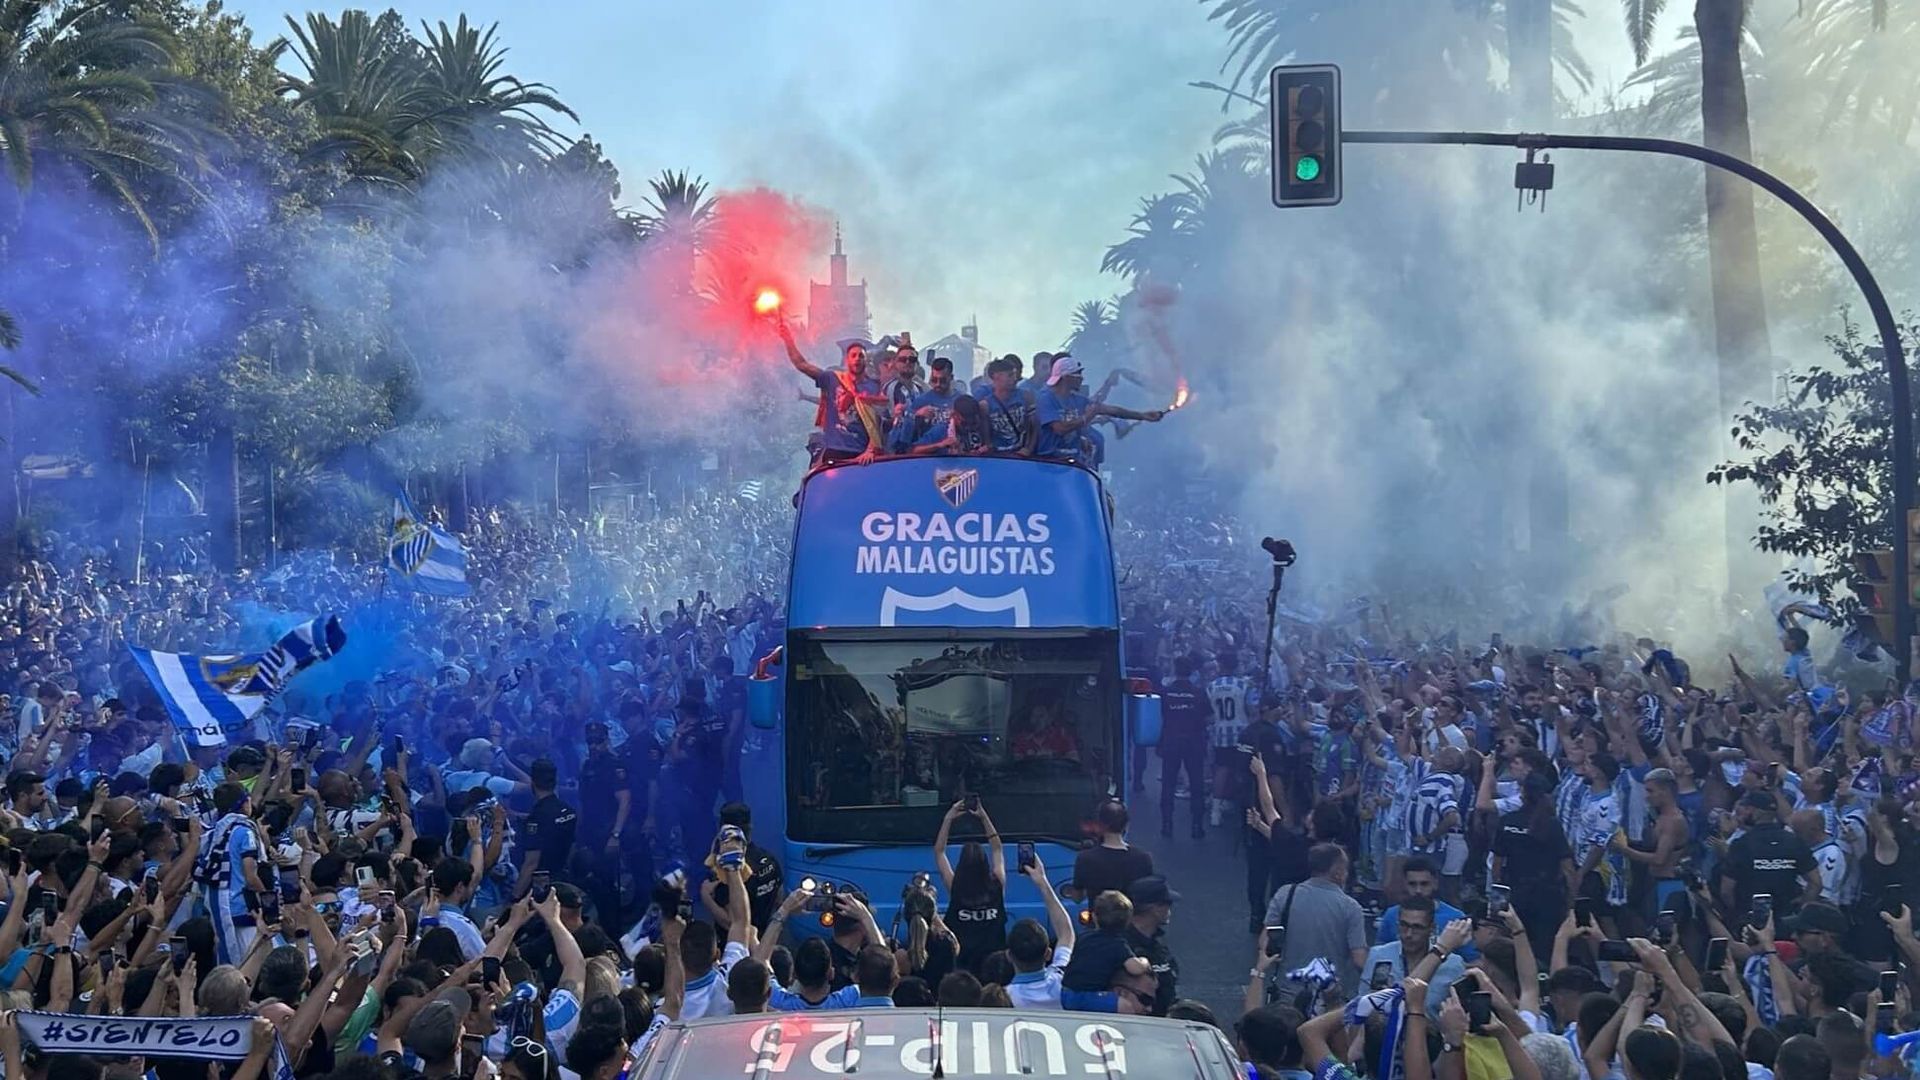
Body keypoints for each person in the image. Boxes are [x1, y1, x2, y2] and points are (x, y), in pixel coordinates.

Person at [1261, 842, 1370, 995]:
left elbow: (1265, 940)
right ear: (1338, 872)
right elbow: (1359, 958)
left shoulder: (1286, 894)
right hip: (1329, 995)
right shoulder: (1351, 907)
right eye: (1345, 869)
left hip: (1287, 989)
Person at [776, 316, 888, 463]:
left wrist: (870, 450)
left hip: (861, 453)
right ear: (847, 360)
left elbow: (878, 421)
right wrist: (788, 339)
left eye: (861, 356)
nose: (857, 359)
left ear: (866, 361)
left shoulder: (874, 386)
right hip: (835, 449)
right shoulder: (832, 379)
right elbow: (801, 364)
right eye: (853, 355)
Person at [1033, 356, 1164, 465]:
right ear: (1066, 377)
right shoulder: (1045, 399)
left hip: (1074, 464)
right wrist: (1086, 417)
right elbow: (1060, 428)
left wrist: (1142, 415)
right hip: (1050, 462)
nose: (1081, 378)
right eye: (1078, 374)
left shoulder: (1078, 400)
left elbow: (1112, 410)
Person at [1363, 895, 1470, 1016]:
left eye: (1417, 927)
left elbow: (1461, 1015)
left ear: (1432, 929)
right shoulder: (1379, 955)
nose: (1409, 934)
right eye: (1404, 925)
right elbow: (1361, 1007)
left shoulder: (1453, 965)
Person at [934, 799, 1006, 975]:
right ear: (985, 864)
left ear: (961, 865)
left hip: (964, 967)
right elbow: (997, 849)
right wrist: (983, 817)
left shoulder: (955, 887)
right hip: (995, 968)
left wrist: (948, 818)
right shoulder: (997, 885)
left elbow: (939, 851)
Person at [1160, 654, 1210, 839]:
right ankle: (1197, 825)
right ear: (1191, 671)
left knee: (1168, 783)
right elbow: (1209, 718)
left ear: (1175, 670)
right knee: (1197, 784)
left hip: (1171, 741)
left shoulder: (1166, 692)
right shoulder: (1199, 693)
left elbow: (1160, 715)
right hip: (1194, 742)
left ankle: (1167, 824)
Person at [1071, 799, 1155, 901]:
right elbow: (1148, 896)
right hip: (1133, 911)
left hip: (1099, 911)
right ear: (1126, 825)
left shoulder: (1085, 858)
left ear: (1100, 825)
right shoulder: (1143, 858)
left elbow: (1077, 898)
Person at [1123, 875, 1180, 1015]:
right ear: (1154, 908)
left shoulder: (1158, 942)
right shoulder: (1121, 945)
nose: (1170, 909)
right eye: (1168, 903)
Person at [973, 355, 1037, 455]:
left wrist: (1028, 449)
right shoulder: (985, 405)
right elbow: (986, 438)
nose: (1015, 379)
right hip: (998, 455)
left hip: (1021, 454)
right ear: (996, 377)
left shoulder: (1026, 397)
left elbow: (1034, 427)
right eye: (1010, 375)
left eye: (1015, 375)